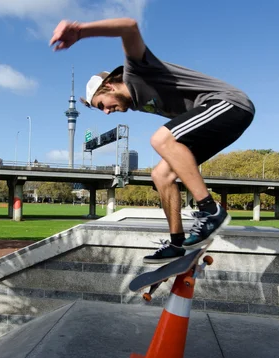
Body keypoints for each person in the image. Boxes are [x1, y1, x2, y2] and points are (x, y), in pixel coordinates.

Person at [50, 18, 255, 264]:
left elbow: (129, 27)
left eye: (102, 105)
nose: (106, 112)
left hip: (229, 104)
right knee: (160, 175)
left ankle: (211, 211)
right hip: (219, 121)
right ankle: (176, 243)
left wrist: (80, 32)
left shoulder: (138, 70)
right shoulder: (137, 102)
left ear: (110, 86)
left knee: (161, 138)